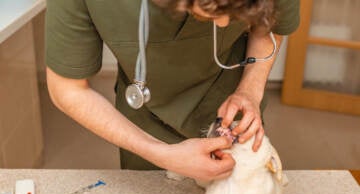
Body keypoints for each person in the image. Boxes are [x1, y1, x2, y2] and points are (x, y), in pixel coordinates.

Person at [45, 0, 299, 181]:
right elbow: (67, 88)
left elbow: (271, 27)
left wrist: (250, 91)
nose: (224, 24)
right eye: (211, 7)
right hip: (145, 120)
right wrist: (159, 153)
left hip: (229, 102)